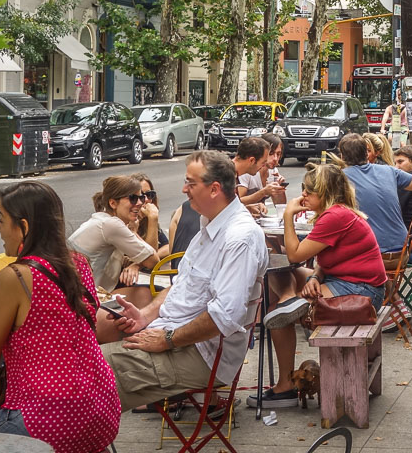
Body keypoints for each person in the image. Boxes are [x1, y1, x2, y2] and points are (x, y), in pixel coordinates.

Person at [0, 182, 120, 452]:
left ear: (24, 226)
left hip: (47, 422)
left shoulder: (16, 277)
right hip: (102, 413)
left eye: (1, 219)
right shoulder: (79, 264)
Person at [102, 151, 268, 411]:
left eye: (191, 183)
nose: (184, 189)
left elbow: (224, 316)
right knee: (81, 355)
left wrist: (167, 339)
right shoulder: (210, 226)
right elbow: (180, 286)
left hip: (200, 355)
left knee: (83, 375)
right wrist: (145, 315)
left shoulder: (239, 238)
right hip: (177, 338)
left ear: (214, 189)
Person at [251, 163, 388, 408]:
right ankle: (288, 300)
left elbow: (295, 254)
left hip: (361, 290)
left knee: (280, 287)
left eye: (308, 191)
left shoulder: (335, 216)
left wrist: (287, 216)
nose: (303, 195)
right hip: (342, 280)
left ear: (324, 193)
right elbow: (324, 260)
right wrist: (315, 277)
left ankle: (285, 385)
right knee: (278, 272)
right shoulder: (337, 212)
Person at [336, 134, 412, 262]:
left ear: (342, 156)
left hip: (374, 256)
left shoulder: (339, 178)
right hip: (401, 252)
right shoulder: (389, 171)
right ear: (366, 154)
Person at [68, 176, 159, 316]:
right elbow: (153, 260)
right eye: (133, 198)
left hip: (79, 295)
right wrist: (151, 220)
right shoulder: (112, 225)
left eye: (142, 198)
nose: (140, 203)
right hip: (83, 303)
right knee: (146, 295)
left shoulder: (101, 220)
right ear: (113, 203)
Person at [131, 173, 169, 262]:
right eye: (141, 195)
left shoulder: (147, 219)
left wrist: (138, 265)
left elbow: (168, 247)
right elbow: (149, 259)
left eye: (149, 194)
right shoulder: (127, 221)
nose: (147, 199)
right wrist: (153, 219)